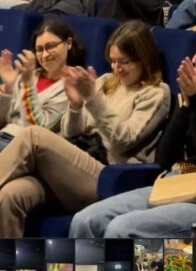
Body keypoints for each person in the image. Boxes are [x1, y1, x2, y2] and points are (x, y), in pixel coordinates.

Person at [68, 18, 196, 238]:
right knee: (85, 220)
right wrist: (185, 105)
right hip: (177, 181)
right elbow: (165, 158)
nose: (195, 60)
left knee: (120, 230)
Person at [0, 19, 171, 237]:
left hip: (107, 175)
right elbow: (72, 133)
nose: (117, 69)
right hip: (74, 167)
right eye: (113, 61)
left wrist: (92, 98)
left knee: (33, 135)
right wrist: (75, 106)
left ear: (144, 59)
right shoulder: (106, 81)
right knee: (9, 196)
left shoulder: (156, 93)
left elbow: (123, 141)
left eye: (124, 62)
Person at [0, 17, 85, 147]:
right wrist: (8, 88)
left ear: (68, 43)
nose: (45, 55)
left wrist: (27, 85)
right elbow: (5, 118)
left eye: (50, 46)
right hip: (5, 136)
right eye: (39, 49)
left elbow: (38, 130)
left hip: (27, 147)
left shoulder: (73, 85)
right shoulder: (31, 75)